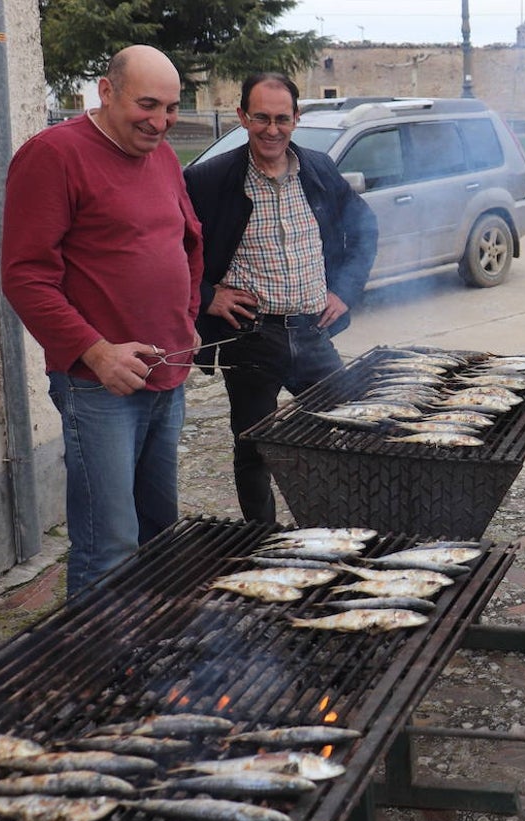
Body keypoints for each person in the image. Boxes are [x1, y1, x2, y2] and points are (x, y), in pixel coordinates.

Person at [1, 45, 203, 599]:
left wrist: (185, 321)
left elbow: (186, 241)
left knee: (161, 530)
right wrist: (96, 352)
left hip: (168, 375)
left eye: (170, 107)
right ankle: (97, 672)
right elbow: (25, 277)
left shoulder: (161, 154)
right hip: (99, 386)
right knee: (108, 542)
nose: (161, 122)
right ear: (106, 91)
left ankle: (156, 646)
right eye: (147, 104)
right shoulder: (53, 155)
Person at [184, 72, 377, 523]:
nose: (272, 129)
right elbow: (171, 251)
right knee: (254, 448)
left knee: (344, 431)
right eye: (261, 118)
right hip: (249, 337)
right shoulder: (208, 179)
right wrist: (206, 295)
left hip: (313, 333)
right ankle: (261, 539)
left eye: (282, 119)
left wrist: (345, 290)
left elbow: (364, 227)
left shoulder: (318, 168)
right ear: (242, 117)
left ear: (297, 118)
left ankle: (337, 528)